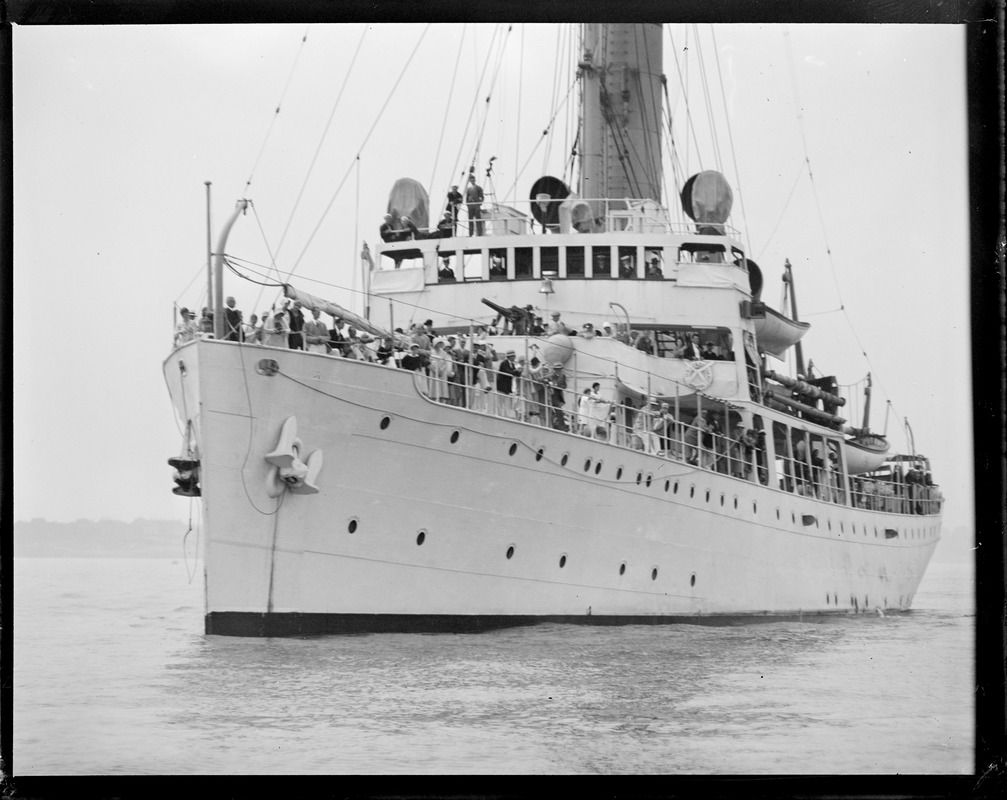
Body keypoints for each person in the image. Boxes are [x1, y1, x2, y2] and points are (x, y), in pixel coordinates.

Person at [544, 362, 567, 430]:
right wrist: (548, 383)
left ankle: (560, 425)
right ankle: (559, 425)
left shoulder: (563, 376)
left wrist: (558, 386)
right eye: (557, 369)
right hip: (552, 395)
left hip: (559, 395)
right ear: (555, 369)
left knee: (559, 410)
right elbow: (543, 379)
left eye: (560, 369)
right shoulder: (551, 376)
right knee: (557, 410)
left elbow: (565, 386)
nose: (559, 370)